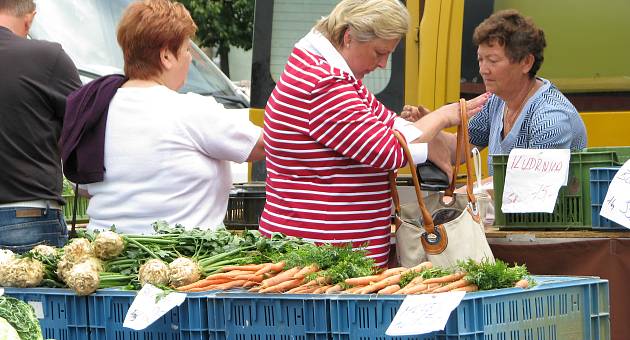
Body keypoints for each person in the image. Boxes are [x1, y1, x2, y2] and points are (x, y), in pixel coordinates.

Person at [258, 0, 489, 266]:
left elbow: (393, 127)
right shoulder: (324, 84)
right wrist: (441, 117)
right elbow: (389, 151)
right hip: (316, 261)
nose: (382, 64)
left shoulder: (339, 80)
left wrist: (430, 136)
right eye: (379, 52)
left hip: (331, 258)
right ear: (348, 37)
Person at [62, 0, 264, 234]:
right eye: (187, 50)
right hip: (181, 261)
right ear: (167, 55)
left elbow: (83, 185)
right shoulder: (191, 110)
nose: (190, 59)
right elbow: (261, 145)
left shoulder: (95, 110)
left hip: (106, 257)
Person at [403, 9, 587, 175]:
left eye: (492, 60)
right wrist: (429, 127)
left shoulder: (550, 119)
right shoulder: (496, 101)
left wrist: (464, 198)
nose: (483, 69)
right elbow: (458, 150)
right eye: (480, 60)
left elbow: (530, 191)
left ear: (526, 62)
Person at [0, 0, 81, 252]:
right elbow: (85, 127)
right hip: (28, 215)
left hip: (27, 217)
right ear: (29, 19)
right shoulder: (47, 58)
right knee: (32, 293)